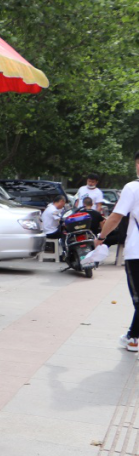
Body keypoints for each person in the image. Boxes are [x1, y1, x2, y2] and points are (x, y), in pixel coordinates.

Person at [96, 151, 139, 352]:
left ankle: (133, 338)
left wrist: (101, 237)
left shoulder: (133, 188)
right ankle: (133, 336)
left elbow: (115, 217)